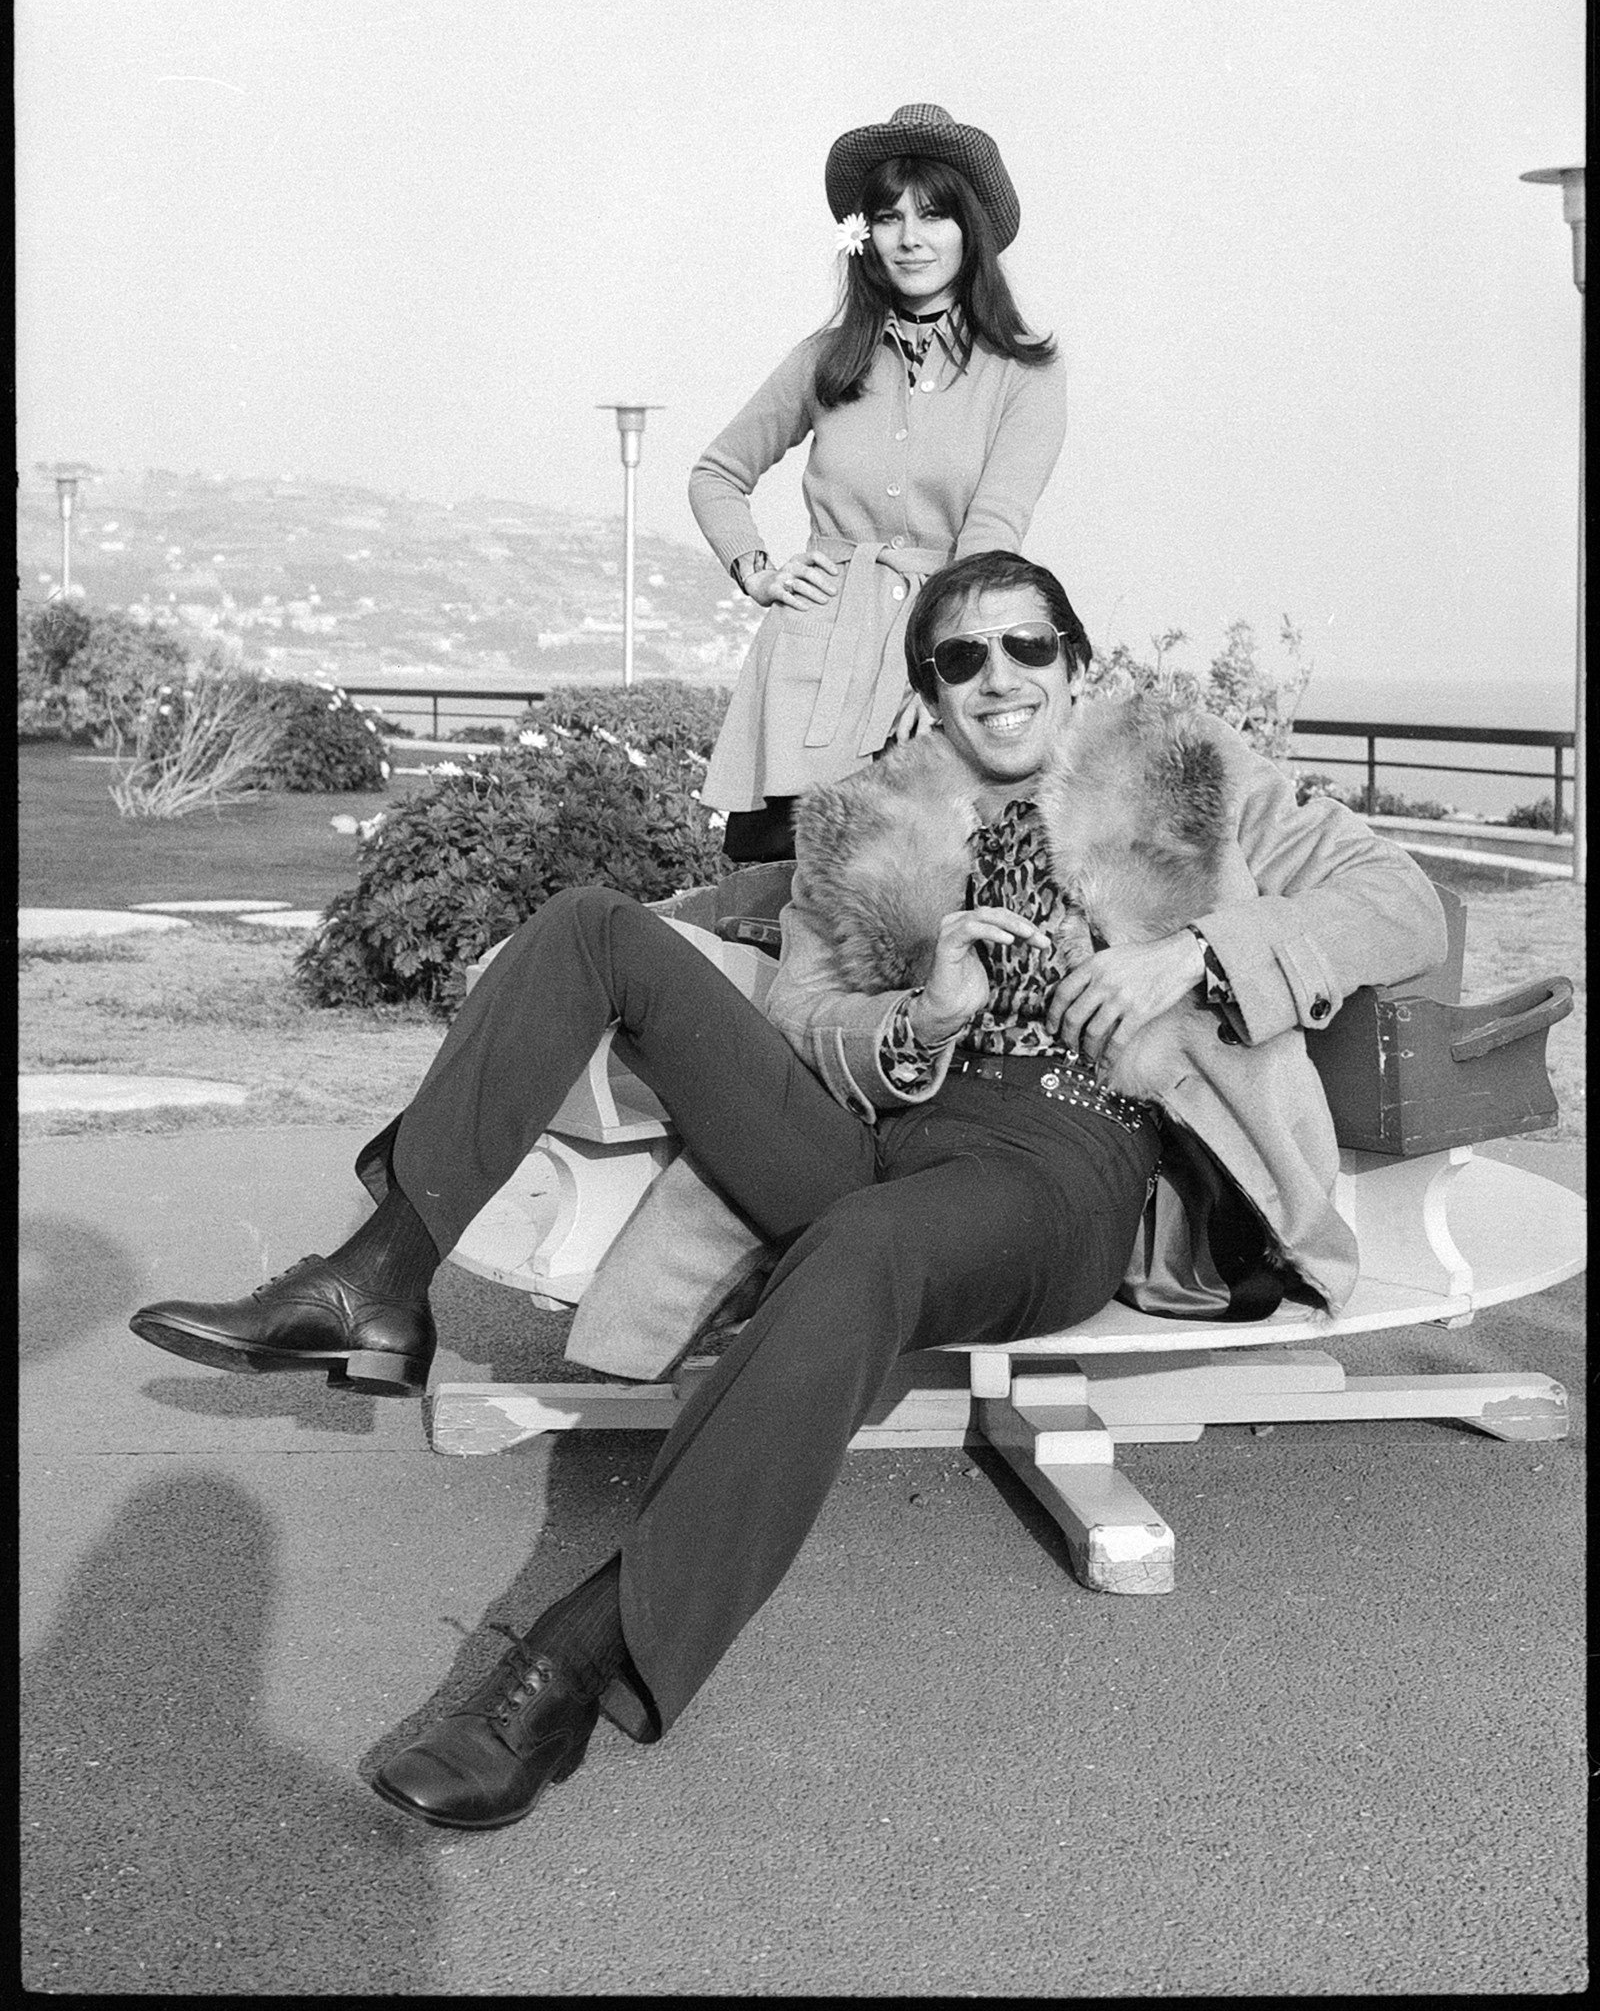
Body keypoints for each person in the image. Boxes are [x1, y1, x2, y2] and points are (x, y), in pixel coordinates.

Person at [128, 551, 1447, 1834]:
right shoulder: (865, 819)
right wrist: (921, 1019)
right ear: (930, 688)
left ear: (1074, 661)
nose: (997, 678)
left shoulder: (1188, 768)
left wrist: (1194, 957)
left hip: (1069, 1158)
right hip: (882, 1131)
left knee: (871, 1244)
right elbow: (813, 1017)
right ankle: (375, 1283)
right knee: (592, 925)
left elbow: (1403, 903)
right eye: (960, 656)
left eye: (1026, 645)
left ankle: (570, 1668)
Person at [690, 100, 1068, 863]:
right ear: (864, 236)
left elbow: (991, 536)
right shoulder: (824, 359)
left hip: (935, 655)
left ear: (971, 231)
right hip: (807, 663)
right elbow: (716, 474)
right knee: (770, 895)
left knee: (913, 894)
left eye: (933, 215)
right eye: (889, 218)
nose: (911, 238)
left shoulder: (1026, 372)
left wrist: (933, 680)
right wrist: (757, 571)